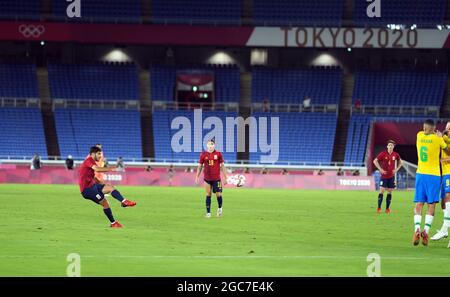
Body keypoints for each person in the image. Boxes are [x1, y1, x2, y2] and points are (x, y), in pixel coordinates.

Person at [79, 146, 137, 228]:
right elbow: (97, 169)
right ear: (92, 154)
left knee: (110, 187)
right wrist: (112, 168)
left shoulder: (91, 162)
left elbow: (91, 176)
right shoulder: (88, 160)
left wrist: (99, 183)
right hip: (87, 190)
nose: (100, 156)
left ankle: (124, 201)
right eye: (99, 154)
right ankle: (113, 223)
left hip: (93, 186)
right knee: (105, 203)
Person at [412, 119, 448, 246]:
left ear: (424, 128)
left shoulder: (419, 136)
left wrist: (431, 132)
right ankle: (425, 232)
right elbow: (448, 151)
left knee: (419, 203)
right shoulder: (438, 139)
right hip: (434, 176)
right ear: (434, 129)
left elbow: (425, 131)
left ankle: (417, 229)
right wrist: (441, 138)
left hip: (420, 174)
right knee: (431, 205)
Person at [195, 139, 228, 218]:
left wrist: (226, 177)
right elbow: (200, 166)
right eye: (209, 144)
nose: (211, 145)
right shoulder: (203, 155)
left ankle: (220, 208)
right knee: (208, 194)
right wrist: (197, 176)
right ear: (207, 145)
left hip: (216, 178)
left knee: (218, 194)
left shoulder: (218, 154)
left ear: (214, 145)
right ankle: (208, 213)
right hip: (207, 178)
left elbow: (222, 166)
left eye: (212, 144)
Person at [432, 122, 450, 242]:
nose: (446, 128)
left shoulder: (445, 139)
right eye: (447, 126)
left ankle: (444, 229)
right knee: (443, 202)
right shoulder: (445, 137)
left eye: (449, 127)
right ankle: (445, 231)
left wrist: (443, 159)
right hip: (444, 173)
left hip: (449, 172)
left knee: (448, 199)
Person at [373, 140, 402, 214]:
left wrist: (396, 169)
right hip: (384, 176)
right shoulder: (383, 154)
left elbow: (401, 162)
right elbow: (375, 161)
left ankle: (387, 209)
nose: (390, 146)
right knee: (382, 191)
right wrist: (380, 169)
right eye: (389, 145)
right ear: (387, 146)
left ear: (393, 146)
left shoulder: (396, 154)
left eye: (391, 145)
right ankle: (379, 207)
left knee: (390, 192)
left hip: (391, 177)